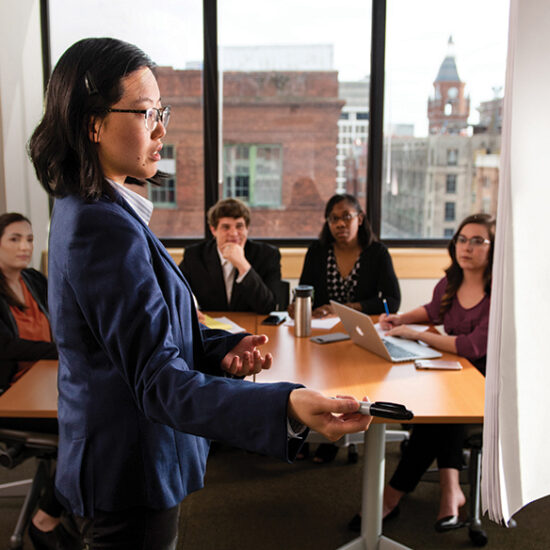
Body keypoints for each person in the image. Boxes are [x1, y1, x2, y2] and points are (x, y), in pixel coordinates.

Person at [28, 37, 372, 549]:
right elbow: (156, 379)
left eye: (161, 111)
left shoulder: (96, 209)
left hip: (123, 456)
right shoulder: (101, 226)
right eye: (147, 113)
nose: (163, 128)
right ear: (92, 123)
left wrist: (217, 347)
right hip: (130, 466)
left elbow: (141, 334)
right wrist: (287, 405)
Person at [349, 213, 495, 533]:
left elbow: (472, 346)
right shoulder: (450, 282)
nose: (466, 247)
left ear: (493, 248)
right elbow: (432, 311)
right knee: (438, 408)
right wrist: (400, 320)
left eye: (477, 241)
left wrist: (417, 335)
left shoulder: (498, 293)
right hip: (456, 370)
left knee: (437, 416)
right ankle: (450, 489)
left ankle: (391, 496)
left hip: (487, 380)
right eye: (461, 239)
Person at [289, 193, 401, 463]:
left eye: (346, 217)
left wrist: (349, 308)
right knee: (313, 378)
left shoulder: (377, 253)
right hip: (322, 334)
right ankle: (308, 431)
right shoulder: (317, 251)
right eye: (333, 219)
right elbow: (306, 290)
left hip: (359, 335)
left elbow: (392, 301)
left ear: (360, 219)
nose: (340, 224)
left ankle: (335, 438)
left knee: (347, 383)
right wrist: (300, 305)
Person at [0, 212, 78, 550]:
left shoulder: (32, 279)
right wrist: (59, 349)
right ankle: (46, 519)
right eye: (14, 239)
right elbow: (6, 346)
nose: (25, 246)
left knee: (99, 416)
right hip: (10, 394)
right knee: (85, 430)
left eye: (29, 239)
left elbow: (65, 315)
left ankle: (69, 507)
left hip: (46, 381)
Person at [180, 198, 282, 314]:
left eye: (239, 226)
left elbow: (269, 307)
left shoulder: (267, 255)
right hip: (212, 327)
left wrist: (243, 265)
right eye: (226, 227)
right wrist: (191, 309)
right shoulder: (194, 255)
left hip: (253, 326)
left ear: (247, 228)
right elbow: (176, 292)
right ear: (213, 230)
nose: (234, 233)